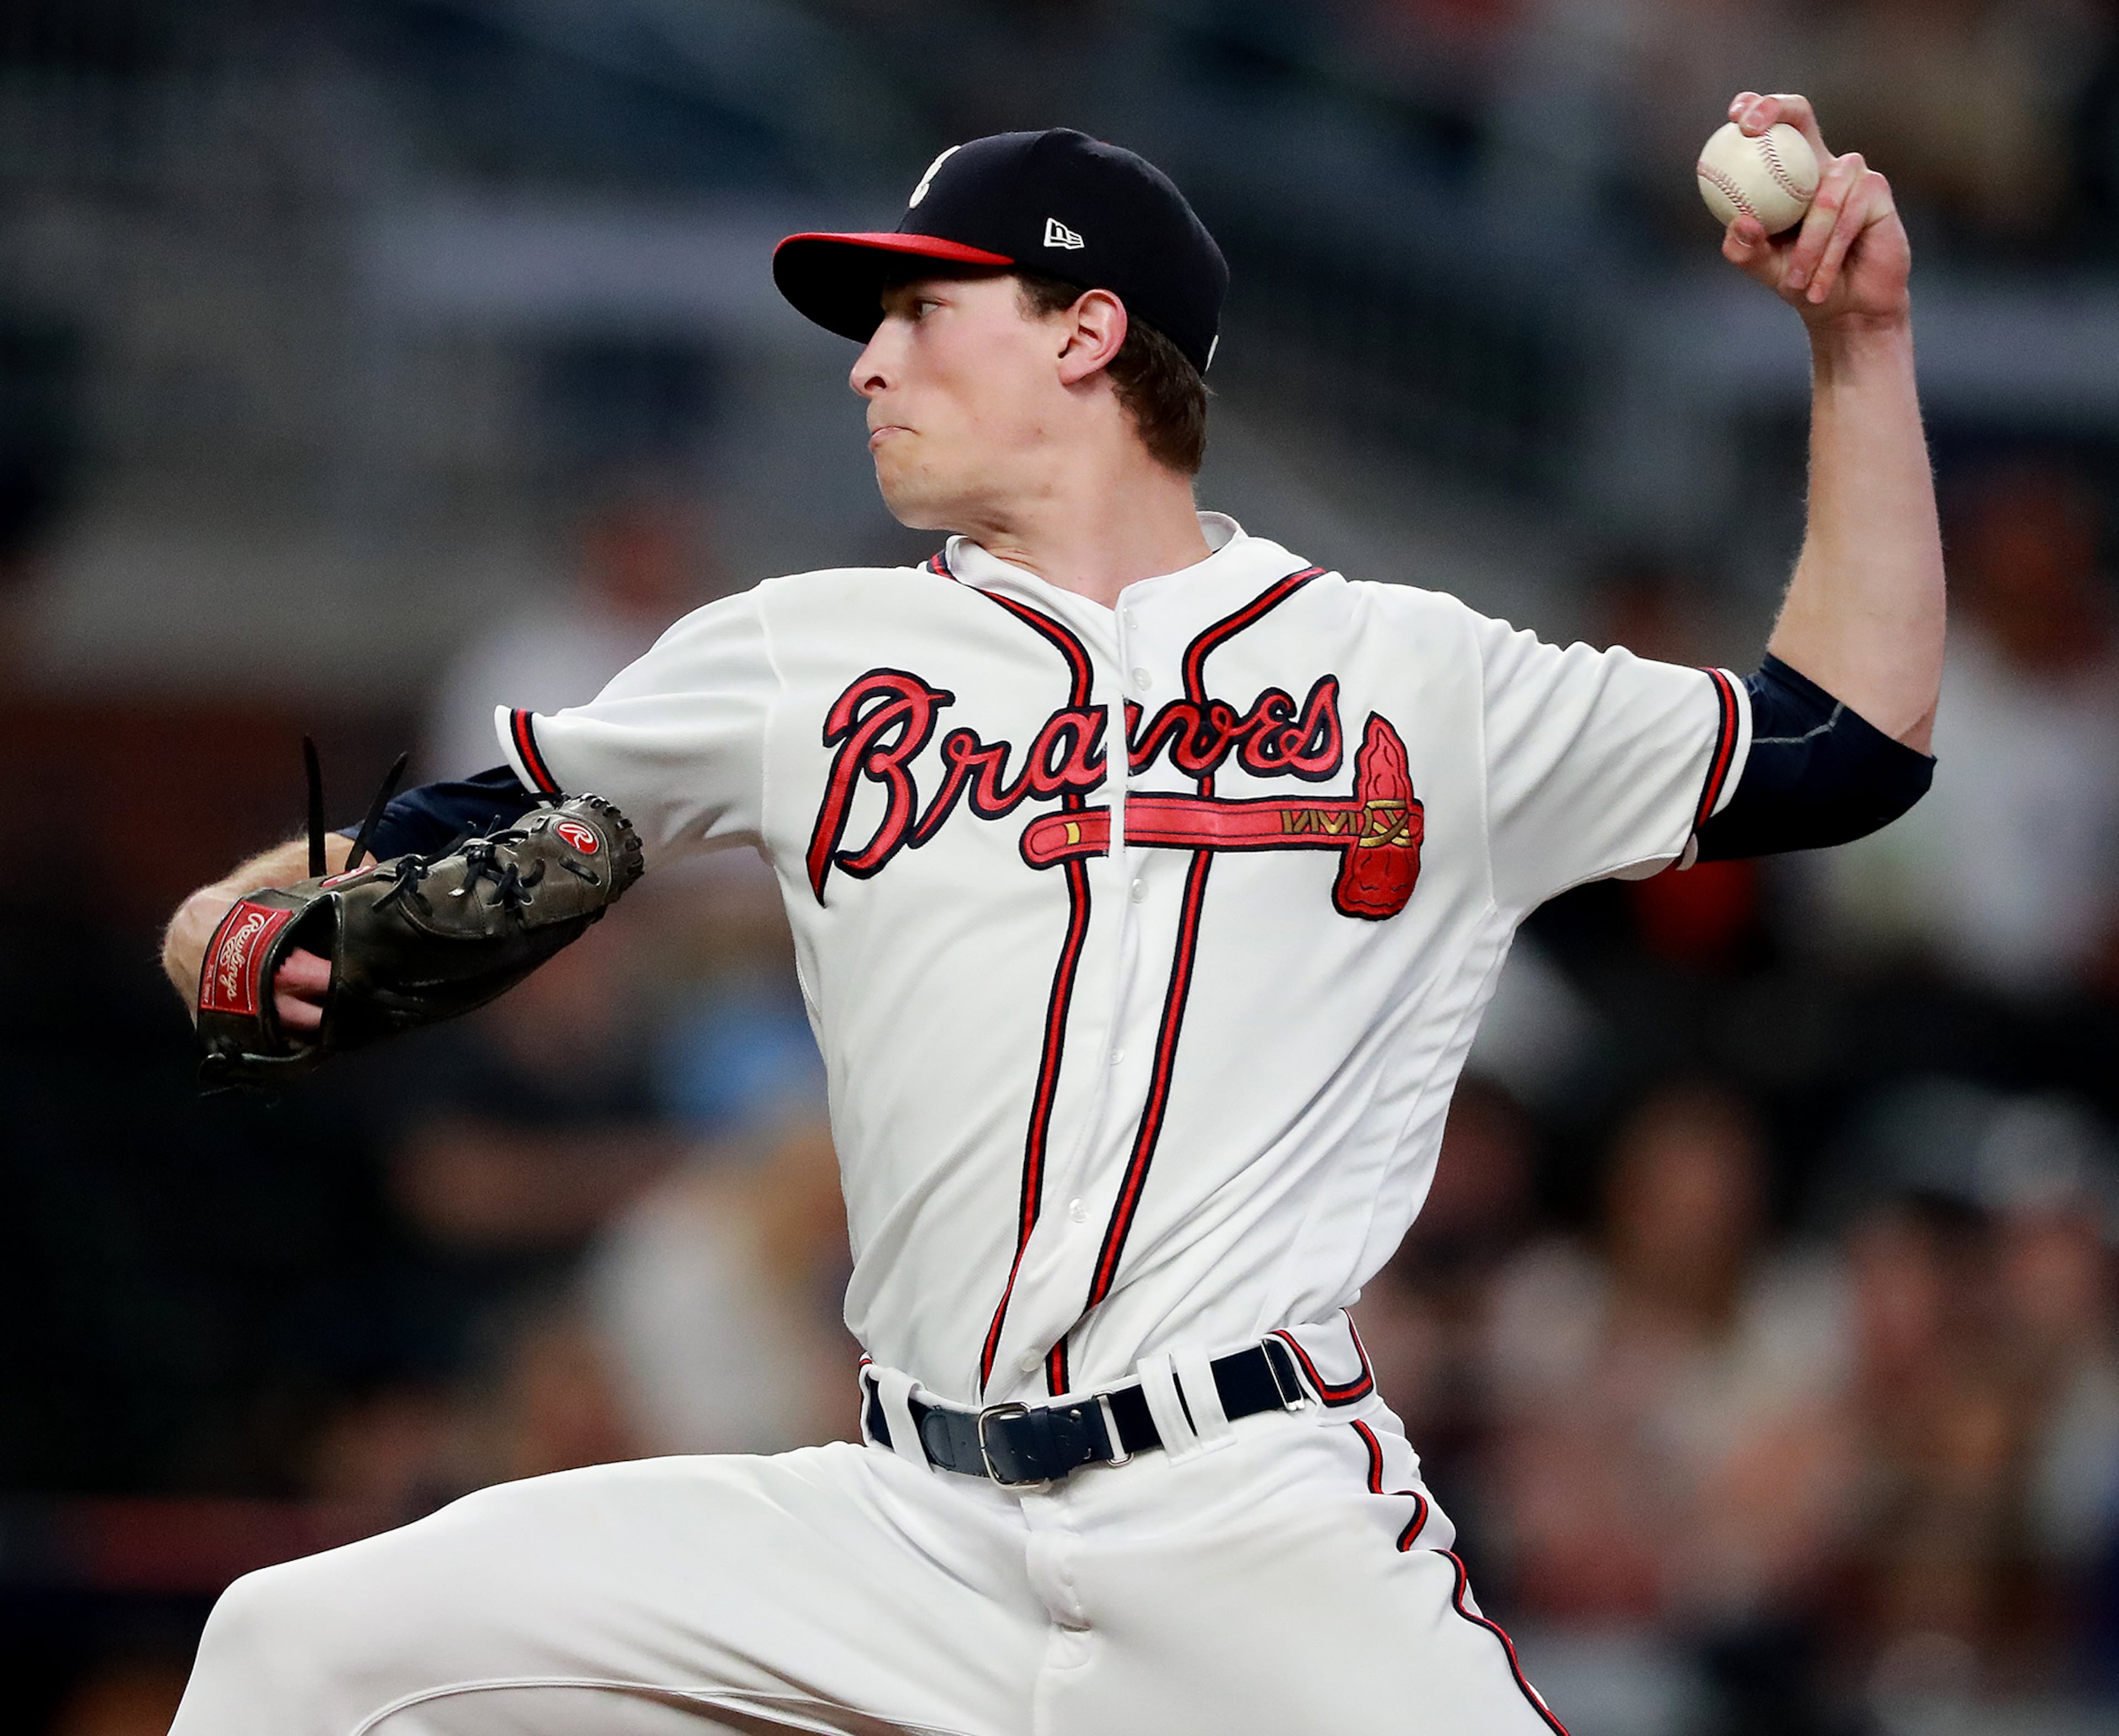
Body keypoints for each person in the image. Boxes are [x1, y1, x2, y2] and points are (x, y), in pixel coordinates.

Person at [157, 101, 1942, 1734]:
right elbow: (434, 848)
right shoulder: (806, 654)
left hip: (1251, 1526)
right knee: (290, 1653)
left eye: (925, 312)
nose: (867, 366)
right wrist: (234, 922)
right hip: (895, 1524)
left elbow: (1845, 744)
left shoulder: (1422, 680)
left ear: (1088, 333)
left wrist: (1855, 346)